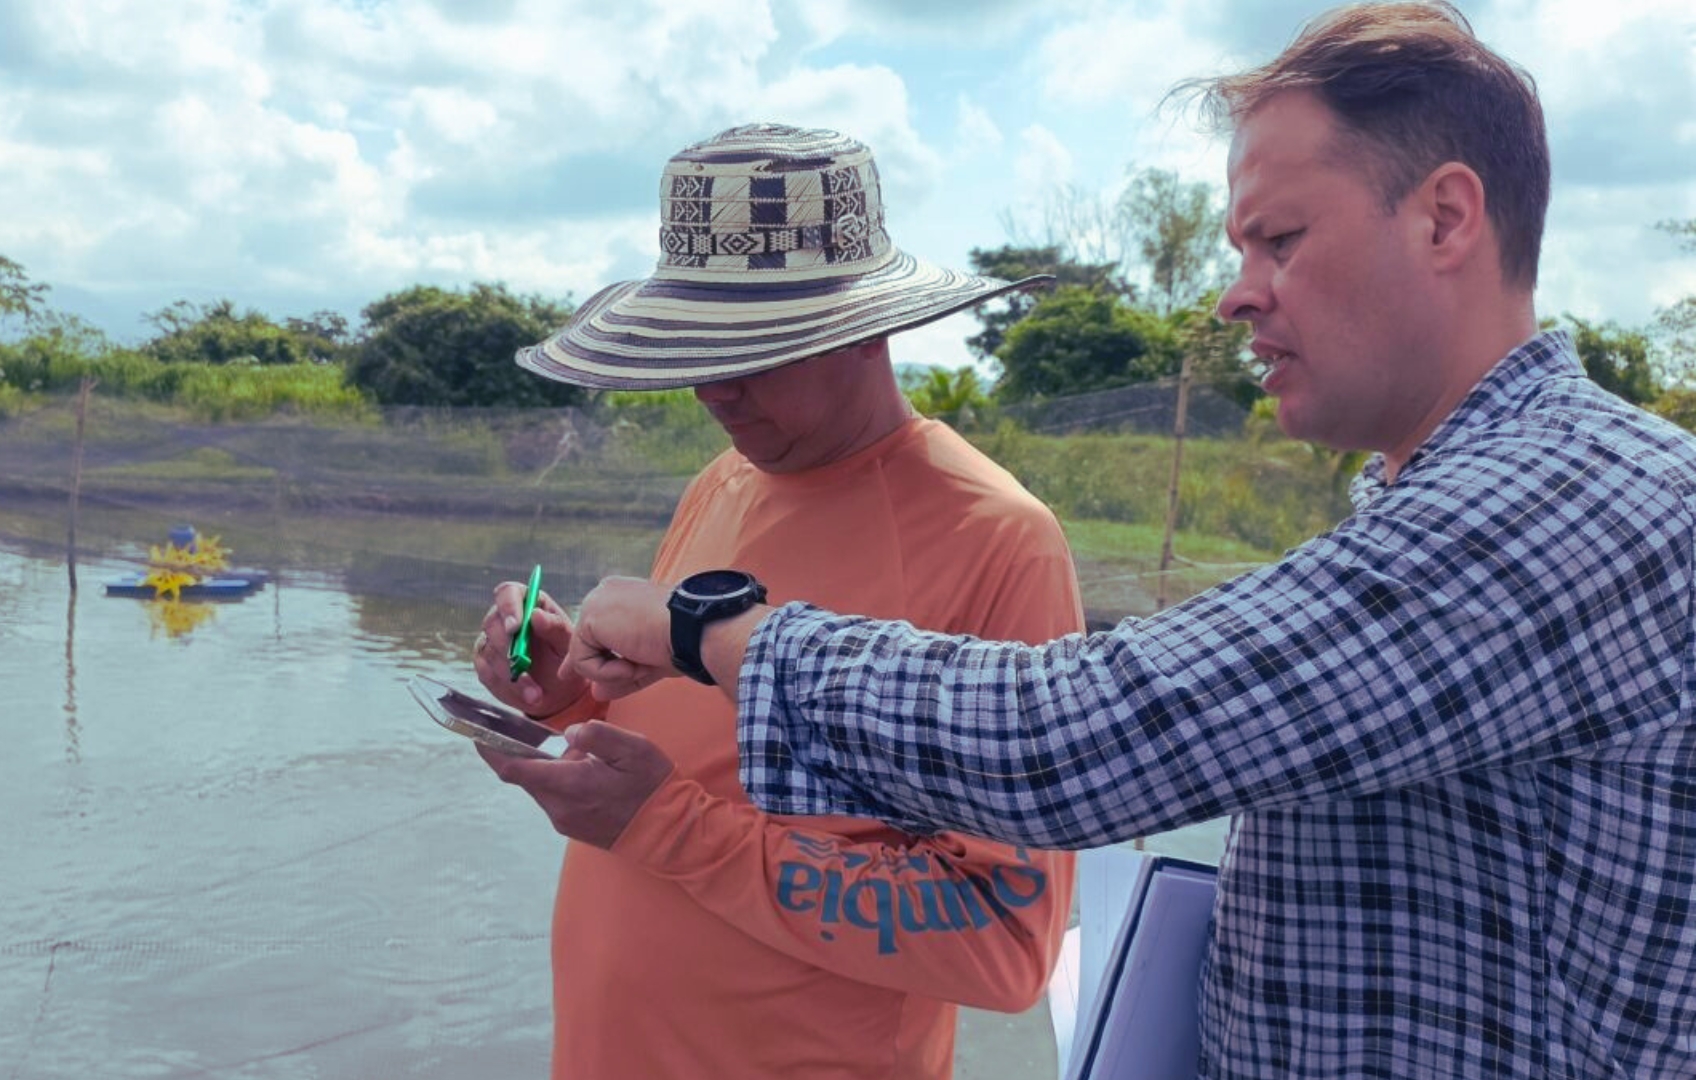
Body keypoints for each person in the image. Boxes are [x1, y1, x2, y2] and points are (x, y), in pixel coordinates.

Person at [558, 6, 1696, 1079]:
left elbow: (1078, 736)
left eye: (1280, 240)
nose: (1234, 297)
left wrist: (706, 634)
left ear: (1446, 218)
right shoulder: (1426, 499)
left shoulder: (1554, 506)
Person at [468, 123, 1085, 1080]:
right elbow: (693, 740)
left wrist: (659, 825)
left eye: (758, 349)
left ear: (868, 326)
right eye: (697, 349)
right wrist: (570, 697)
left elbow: (1001, 942)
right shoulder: (725, 479)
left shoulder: (995, 538)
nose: (716, 386)